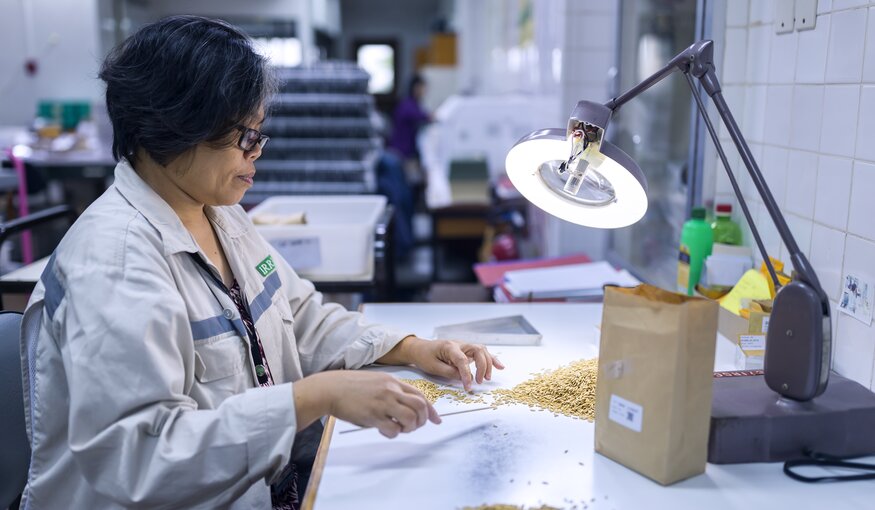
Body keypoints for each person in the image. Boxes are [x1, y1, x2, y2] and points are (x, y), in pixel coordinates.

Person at [19, 16, 503, 510]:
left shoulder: (221, 215)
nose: (258, 154)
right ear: (175, 127)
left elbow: (301, 318)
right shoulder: (117, 261)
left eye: (259, 135)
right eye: (244, 137)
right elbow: (140, 456)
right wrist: (314, 397)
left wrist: (411, 347)